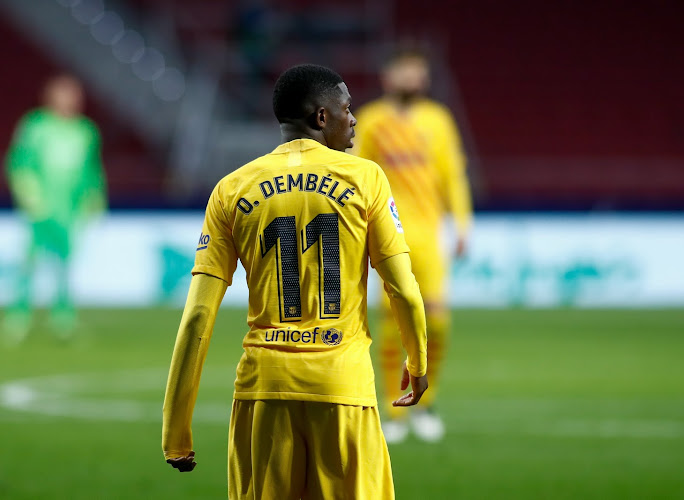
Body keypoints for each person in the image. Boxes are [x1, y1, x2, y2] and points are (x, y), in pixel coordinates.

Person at [162, 64, 428, 499]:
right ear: (321, 118)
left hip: (264, 393)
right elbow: (404, 290)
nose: (354, 118)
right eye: (346, 108)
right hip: (342, 389)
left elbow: (197, 317)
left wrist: (176, 432)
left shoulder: (231, 189)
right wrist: (417, 363)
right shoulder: (366, 179)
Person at [352, 47, 473, 443]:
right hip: (386, 234)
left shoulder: (438, 120)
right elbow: (355, 174)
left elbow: (452, 174)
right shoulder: (370, 121)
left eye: (416, 72)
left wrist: (462, 224)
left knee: (436, 319)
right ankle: (394, 409)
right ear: (389, 76)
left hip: (427, 234)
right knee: (392, 324)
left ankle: (426, 400)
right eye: (404, 71)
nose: (411, 79)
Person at [3, 74, 107, 343]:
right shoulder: (35, 127)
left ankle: (63, 318)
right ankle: (19, 316)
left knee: (64, 264)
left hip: (69, 212)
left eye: (74, 94)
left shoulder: (85, 131)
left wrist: (94, 198)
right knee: (31, 262)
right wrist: (29, 195)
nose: (70, 100)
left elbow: (92, 171)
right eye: (64, 94)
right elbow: (18, 162)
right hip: (41, 209)